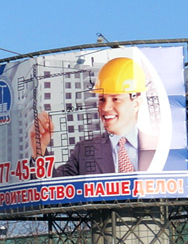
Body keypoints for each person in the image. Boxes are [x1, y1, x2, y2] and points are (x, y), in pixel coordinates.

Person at [29, 57, 158, 176]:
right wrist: (39, 148)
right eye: (102, 99)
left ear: (135, 103)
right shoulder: (84, 150)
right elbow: (56, 186)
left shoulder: (158, 146)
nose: (105, 107)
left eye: (116, 99)